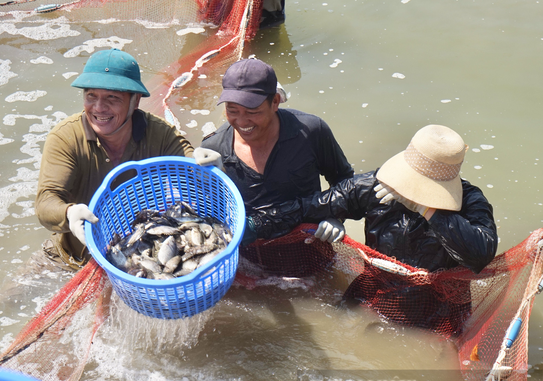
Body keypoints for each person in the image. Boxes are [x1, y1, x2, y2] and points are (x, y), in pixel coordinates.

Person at [35, 48, 194, 270]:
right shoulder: (65, 138)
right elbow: (45, 202)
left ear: (135, 101)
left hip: (138, 257)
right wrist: (69, 213)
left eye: (112, 97)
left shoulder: (159, 134)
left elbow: (193, 167)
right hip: (71, 258)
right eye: (91, 96)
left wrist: (208, 162)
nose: (99, 108)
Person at [194, 58, 354, 245]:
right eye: (232, 110)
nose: (242, 121)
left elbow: (345, 180)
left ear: (275, 102)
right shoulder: (213, 150)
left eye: (253, 112)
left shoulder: (311, 131)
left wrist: (337, 216)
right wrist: (204, 178)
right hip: (249, 256)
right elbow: (210, 215)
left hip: (311, 245)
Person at [303, 124, 498, 274]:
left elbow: (481, 256)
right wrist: (335, 218)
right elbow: (307, 207)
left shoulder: (471, 199)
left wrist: (430, 212)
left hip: (437, 306)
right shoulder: (377, 184)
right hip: (376, 288)